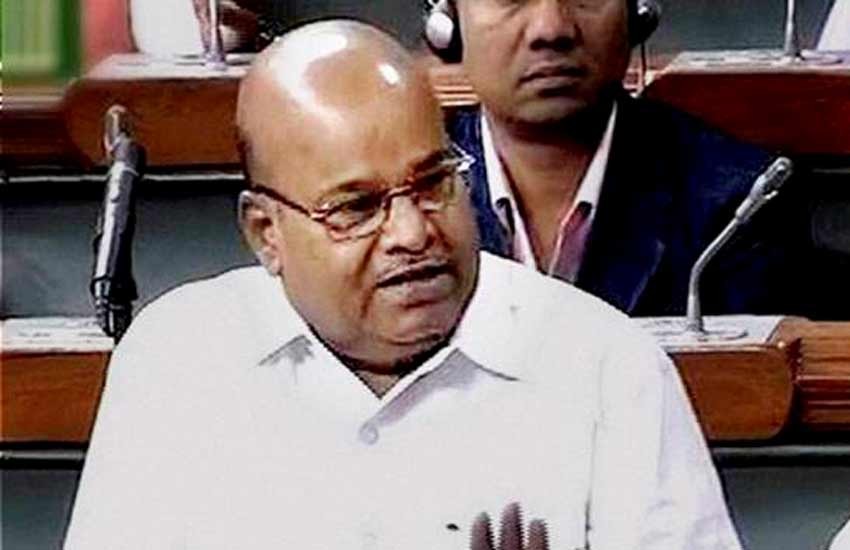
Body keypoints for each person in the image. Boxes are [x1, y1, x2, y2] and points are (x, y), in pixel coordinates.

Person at [64, 20, 741, 550]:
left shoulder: (607, 369)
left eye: (433, 182)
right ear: (266, 233)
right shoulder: (177, 363)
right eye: (356, 208)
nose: (413, 233)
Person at [425, 0, 806, 317]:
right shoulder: (404, 200)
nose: (551, 29)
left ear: (637, 11)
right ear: (448, 21)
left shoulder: (742, 203)